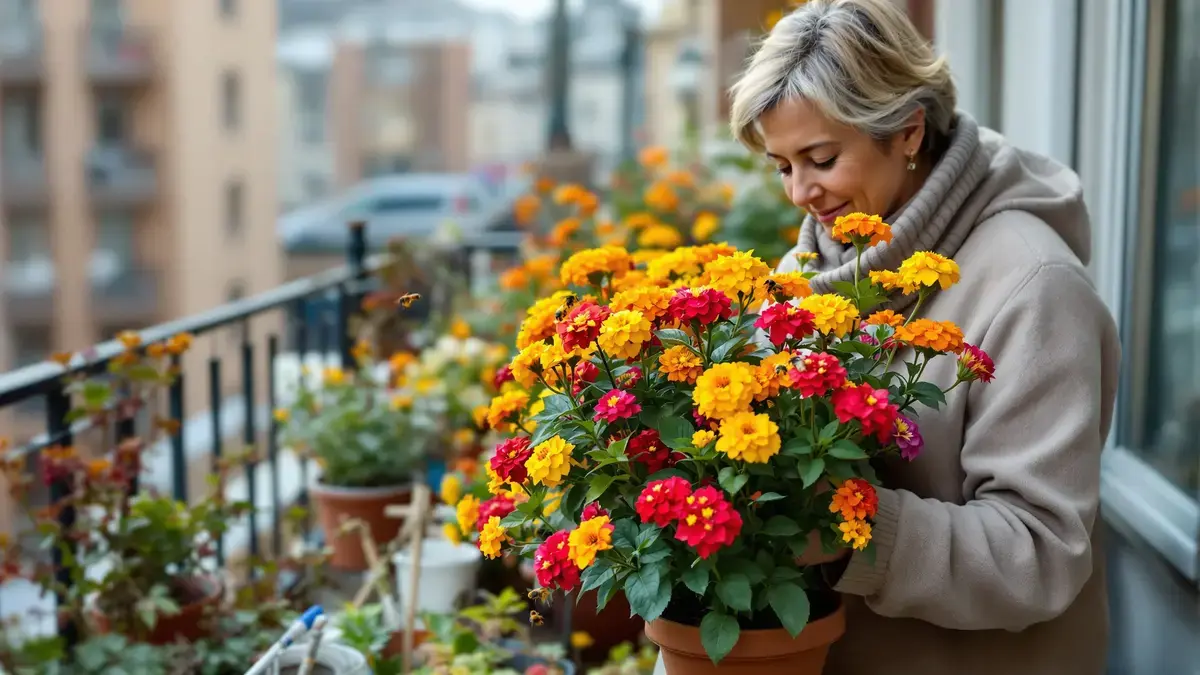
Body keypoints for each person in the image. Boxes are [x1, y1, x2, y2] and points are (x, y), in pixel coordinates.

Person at [670, 1, 1116, 674]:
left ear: (908, 132)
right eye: (781, 165)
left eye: (820, 158)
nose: (800, 193)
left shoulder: (1034, 285)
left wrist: (845, 530)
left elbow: (1040, 554)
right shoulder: (811, 271)